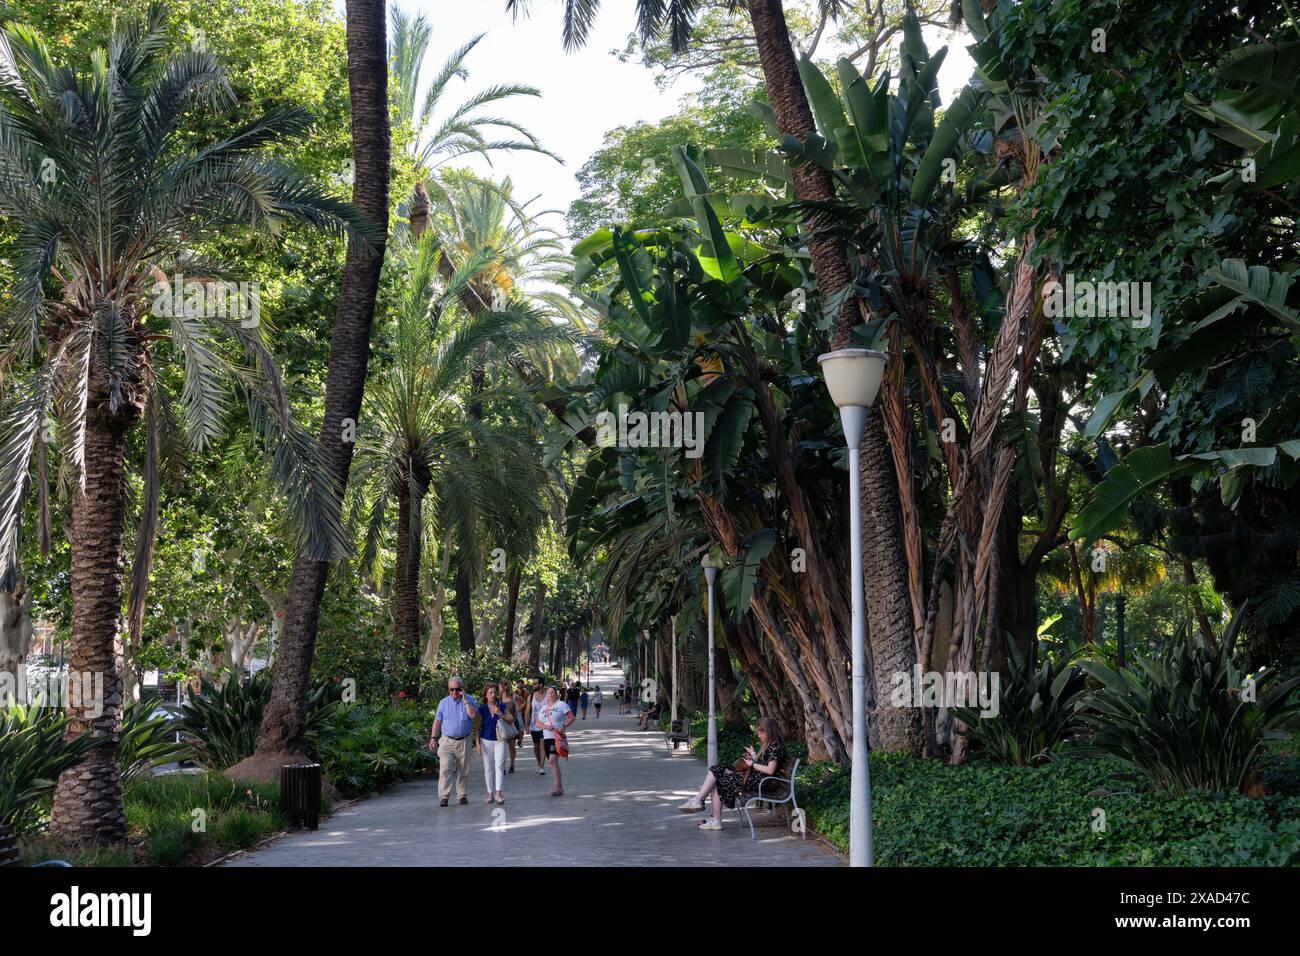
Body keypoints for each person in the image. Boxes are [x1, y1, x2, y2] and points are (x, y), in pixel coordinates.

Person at [678, 718, 788, 830]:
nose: (759, 736)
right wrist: (753, 755)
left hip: (759, 781)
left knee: (719, 780)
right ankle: (699, 801)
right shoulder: (773, 743)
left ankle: (713, 816)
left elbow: (770, 770)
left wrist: (751, 764)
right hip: (756, 777)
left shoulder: (775, 746)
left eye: (760, 733)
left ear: (769, 731)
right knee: (717, 769)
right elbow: (765, 762)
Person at [430, 676, 477, 807]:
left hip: (464, 740)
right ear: (448, 689)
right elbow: (437, 721)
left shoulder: (469, 699)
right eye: (452, 689)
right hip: (447, 741)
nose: (455, 692)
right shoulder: (443, 703)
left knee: (464, 770)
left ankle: (462, 795)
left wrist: (465, 701)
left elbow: (473, 716)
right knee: (445, 768)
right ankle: (444, 796)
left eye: (457, 689)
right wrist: (433, 738)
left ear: (462, 689)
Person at [476, 683, 512, 804]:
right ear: (486, 695)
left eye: (494, 692)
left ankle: (499, 793)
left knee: (500, 765)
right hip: (485, 740)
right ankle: (490, 793)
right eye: (490, 692)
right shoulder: (481, 708)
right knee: (488, 768)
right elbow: (478, 727)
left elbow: (511, 719)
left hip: (500, 739)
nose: (493, 694)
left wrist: (500, 713)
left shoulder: (501, 705)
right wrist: (477, 743)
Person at [537, 685, 575, 797]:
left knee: (553, 759)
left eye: (552, 692)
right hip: (547, 738)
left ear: (556, 694)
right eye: (548, 692)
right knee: (552, 762)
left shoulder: (562, 705)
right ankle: (559, 787)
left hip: (557, 736)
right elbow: (537, 723)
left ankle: (557, 788)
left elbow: (571, 717)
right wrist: (545, 726)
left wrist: (563, 726)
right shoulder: (543, 708)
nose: (550, 694)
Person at [528, 680, 548, 775]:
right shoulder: (531, 696)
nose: (533, 685)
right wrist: (526, 725)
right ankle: (539, 763)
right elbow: (528, 711)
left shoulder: (548, 695)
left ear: (541, 684)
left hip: (545, 725)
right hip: (534, 725)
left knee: (542, 745)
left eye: (535, 683)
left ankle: (542, 767)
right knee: (536, 747)